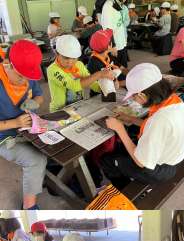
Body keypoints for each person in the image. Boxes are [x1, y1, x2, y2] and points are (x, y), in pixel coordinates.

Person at [103, 63, 184, 186]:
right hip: (174, 156)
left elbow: (141, 162)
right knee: (124, 146)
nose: (133, 99)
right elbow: (156, 128)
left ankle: (126, 190)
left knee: (106, 161)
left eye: (133, 96)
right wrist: (131, 119)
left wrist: (119, 128)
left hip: (160, 169)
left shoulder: (159, 120)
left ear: (142, 95)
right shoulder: (174, 100)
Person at [0, 40, 47, 210]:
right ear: (7, 65)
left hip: (28, 127)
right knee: (36, 160)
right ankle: (28, 206)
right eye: (21, 76)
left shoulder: (27, 75)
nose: (25, 81)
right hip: (5, 137)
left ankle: (46, 175)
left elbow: (40, 96)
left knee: (57, 142)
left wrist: (34, 103)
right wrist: (15, 122)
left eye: (28, 77)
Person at [47, 35, 114, 112]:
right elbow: (73, 85)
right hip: (59, 110)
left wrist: (108, 87)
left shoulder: (79, 65)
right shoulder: (52, 70)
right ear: (57, 54)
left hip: (77, 106)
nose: (70, 62)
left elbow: (92, 84)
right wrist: (99, 74)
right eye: (66, 58)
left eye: (74, 58)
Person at [87, 29, 125, 101]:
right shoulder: (95, 63)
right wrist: (123, 82)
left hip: (107, 93)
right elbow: (106, 87)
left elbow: (119, 67)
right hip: (100, 97)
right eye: (111, 41)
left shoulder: (107, 56)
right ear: (109, 46)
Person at [101, 0, 129, 68]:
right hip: (116, 46)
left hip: (121, 43)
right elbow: (107, 28)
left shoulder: (116, 4)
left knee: (123, 67)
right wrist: (113, 45)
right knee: (117, 70)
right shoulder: (108, 5)